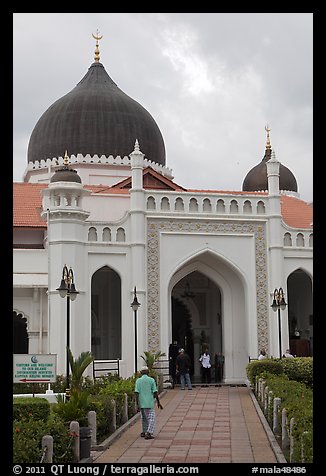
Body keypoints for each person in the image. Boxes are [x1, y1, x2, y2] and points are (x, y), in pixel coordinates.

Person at [134, 366, 163, 439]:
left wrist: (137, 404)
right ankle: (149, 432)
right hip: (149, 403)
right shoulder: (151, 380)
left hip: (141, 402)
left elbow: (136, 393)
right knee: (152, 418)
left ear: (140, 373)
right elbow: (155, 392)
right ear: (148, 372)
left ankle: (144, 431)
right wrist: (158, 402)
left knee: (144, 418)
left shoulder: (138, 381)